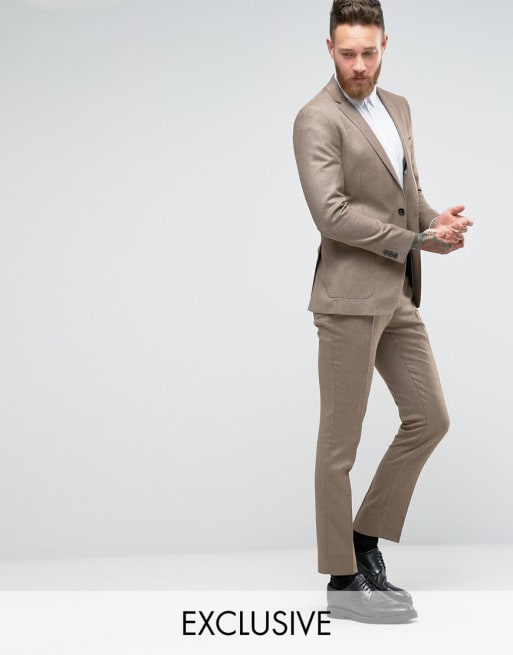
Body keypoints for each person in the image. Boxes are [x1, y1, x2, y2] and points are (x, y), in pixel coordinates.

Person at [292, 0, 473, 624]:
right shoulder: (316, 118)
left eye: (369, 52)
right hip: (347, 299)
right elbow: (332, 214)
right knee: (339, 444)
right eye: (347, 53)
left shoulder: (398, 107)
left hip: (397, 293)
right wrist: (414, 239)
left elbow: (406, 197)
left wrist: (435, 226)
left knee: (429, 418)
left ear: (385, 45)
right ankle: (341, 581)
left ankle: (363, 539)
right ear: (330, 48)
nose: (359, 65)